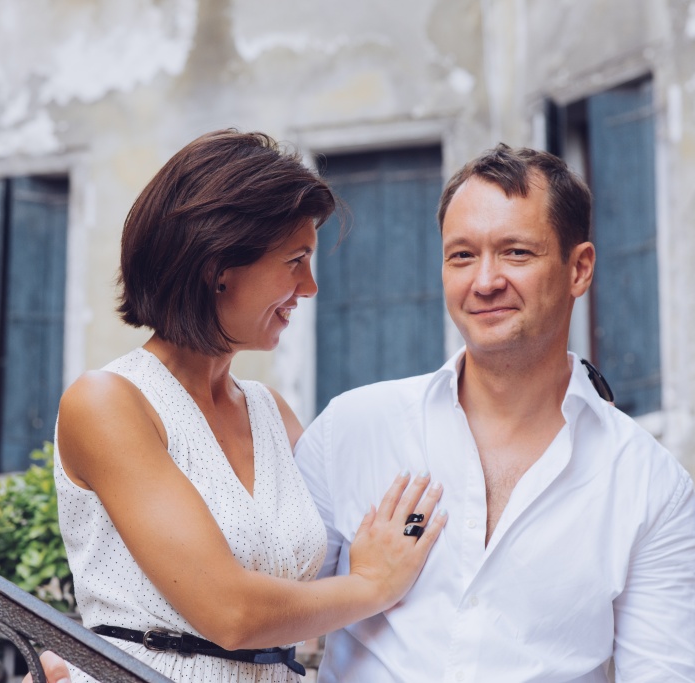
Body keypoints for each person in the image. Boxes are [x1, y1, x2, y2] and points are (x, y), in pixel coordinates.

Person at [295, 143, 695, 682]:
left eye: (516, 253)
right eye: (462, 256)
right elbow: (261, 627)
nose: (485, 281)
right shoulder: (350, 431)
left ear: (579, 268)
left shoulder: (650, 485)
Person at [42, 129, 446, 683]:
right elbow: (231, 613)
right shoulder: (108, 402)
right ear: (218, 268)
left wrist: (420, 520)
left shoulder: (270, 412)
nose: (310, 287)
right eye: (295, 260)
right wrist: (372, 586)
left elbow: (383, 522)